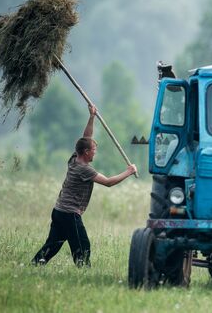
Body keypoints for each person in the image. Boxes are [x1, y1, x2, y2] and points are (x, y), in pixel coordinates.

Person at [32, 104, 138, 267]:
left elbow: (85, 138)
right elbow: (109, 183)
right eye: (94, 149)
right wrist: (129, 172)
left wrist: (92, 117)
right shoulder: (84, 169)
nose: (95, 151)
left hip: (59, 210)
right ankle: (84, 270)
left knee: (53, 244)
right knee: (82, 246)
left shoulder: (75, 158)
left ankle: (35, 264)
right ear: (86, 152)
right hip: (69, 214)